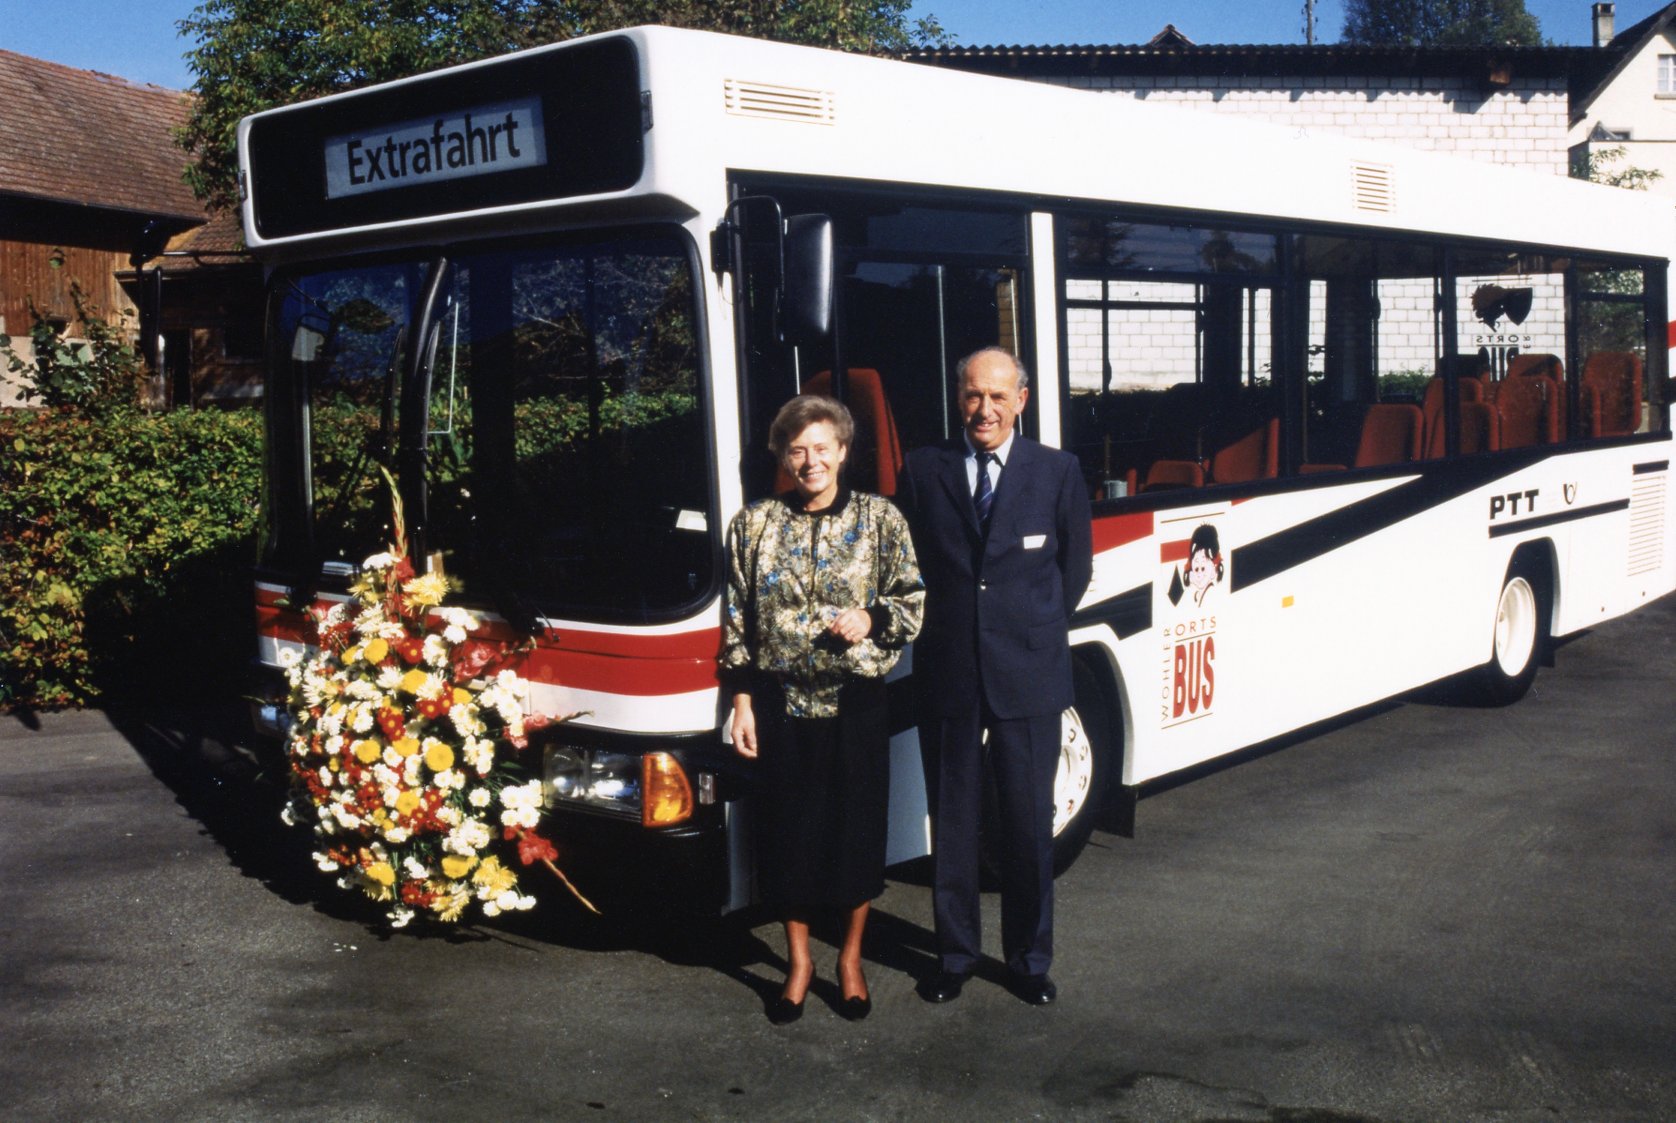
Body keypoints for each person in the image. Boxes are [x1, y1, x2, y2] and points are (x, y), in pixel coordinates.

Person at [898, 346, 1093, 1007]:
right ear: (959, 397)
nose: (984, 408)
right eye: (972, 394)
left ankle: (1029, 960)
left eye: (998, 396)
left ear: (1022, 400)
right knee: (952, 823)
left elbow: (1076, 570)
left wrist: (1028, 631)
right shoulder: (925, 470)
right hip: (949, 669)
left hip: (1029, 672)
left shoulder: (1057, 470)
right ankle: (954, 955)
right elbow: (910, 564)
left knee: (1026, 823)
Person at [721, 394, 924, 1025]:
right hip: (780, 705)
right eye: (797, 450)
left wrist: (872, 616)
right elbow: (737, 621)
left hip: (856, 704)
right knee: (789, 837)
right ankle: (800, 962)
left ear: (843, 451)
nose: (810, 461)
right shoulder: (752, 525)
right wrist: (743, 703)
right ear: (783, 457)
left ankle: (851, 959)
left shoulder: (882, 519)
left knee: (854, 835)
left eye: (822, 447)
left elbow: (913, 601)